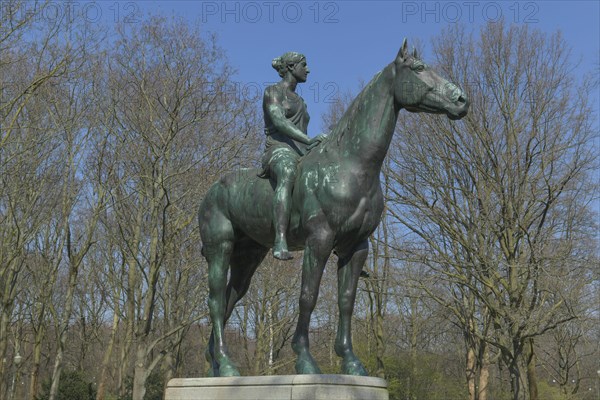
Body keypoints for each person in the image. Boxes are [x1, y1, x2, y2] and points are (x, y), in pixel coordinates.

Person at [259, 52, 325, 260]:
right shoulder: (273, 92)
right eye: (303, 65)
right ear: (290, 67)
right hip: (278, 150)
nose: (308, 69)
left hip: (302, 152)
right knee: (287, 172)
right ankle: (280, 239)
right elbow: (279, 122)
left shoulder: (302, 101)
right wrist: (309, 140)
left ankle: (344, 243)